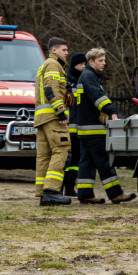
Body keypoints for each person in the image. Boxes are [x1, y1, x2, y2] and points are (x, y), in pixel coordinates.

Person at [74, 47, 135, 204]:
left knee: (86, 162)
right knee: (104, 160)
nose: (104, 63)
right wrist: (112, 111)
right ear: (91, 61)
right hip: (93, 128)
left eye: (105, 60)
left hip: (84, 128)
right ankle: (115, 193)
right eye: (100, 61)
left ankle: (85, 194)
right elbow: (98, 97)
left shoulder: (84, 76)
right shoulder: (89, 76)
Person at [34, 37, 72, 206]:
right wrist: (61, 112)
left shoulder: (44, 65)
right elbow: (51, 89)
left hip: (42, 118)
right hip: (53, 117)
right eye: (64, 50)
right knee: (61, 150)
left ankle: (43, 193)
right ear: (54, 50)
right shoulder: (53, 64)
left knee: (44, 156)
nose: (67, 53)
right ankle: (52, 191)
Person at [62, 52, 87, 198]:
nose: (83, 67)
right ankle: (60, 187)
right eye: (80, 64)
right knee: (68, 158)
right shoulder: (68, 79)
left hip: (80, 124)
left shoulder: (84, 79)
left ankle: (70, 187)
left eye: (84, 64)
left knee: (76, 159)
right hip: (68, 123)